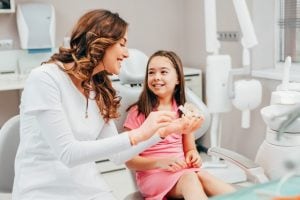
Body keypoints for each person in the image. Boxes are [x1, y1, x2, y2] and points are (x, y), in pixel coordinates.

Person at [12, 10, 192, 200]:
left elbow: (118, 155)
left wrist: (161, 132)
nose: (126, 53)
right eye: (122, 44)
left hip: (88, 191)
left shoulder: (97, 90)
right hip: (43, 192)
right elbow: (68, 153)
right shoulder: (46, 78)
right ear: (101, 42)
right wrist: (138, 134)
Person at [124, 50, 236, 200]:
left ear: (178, 78)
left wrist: (193, 155)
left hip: (182, 170)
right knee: (190, 178)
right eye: (151, 73)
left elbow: (189, 148)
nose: (157, 77)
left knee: (204, 177)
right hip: (154, 175)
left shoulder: (183, 110)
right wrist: (160, 162)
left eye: (163, 72)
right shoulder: (137, 112)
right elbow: (130, 160)